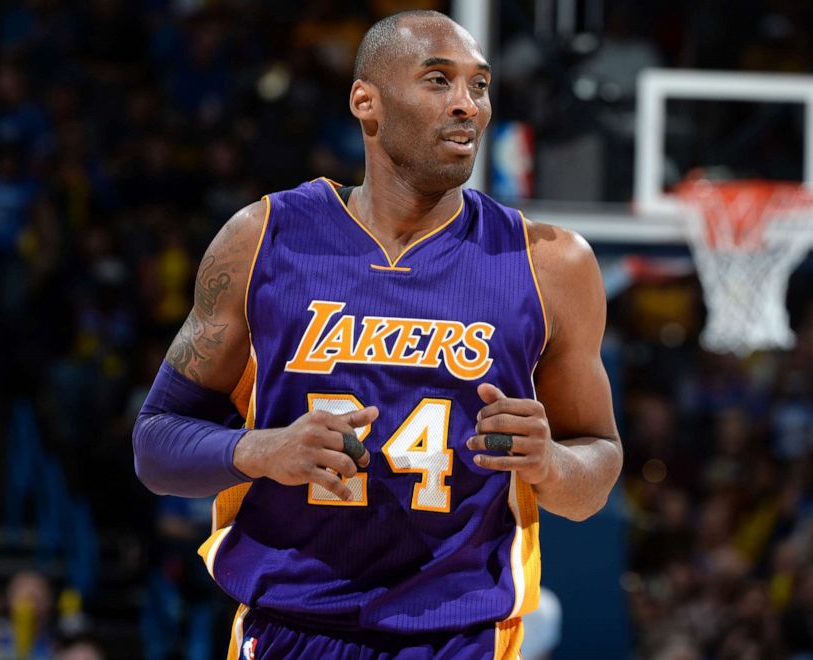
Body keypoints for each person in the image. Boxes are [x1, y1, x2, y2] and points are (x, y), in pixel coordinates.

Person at [133, 9, 622, 659]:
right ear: (367, 101)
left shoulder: (551, 263)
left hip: (458, 638)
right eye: (438, 81)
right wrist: (262, 451)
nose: (466, 106)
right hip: (290, 629)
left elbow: (597, 468)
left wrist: (551, 463)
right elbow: (155, 447)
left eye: (478, 86)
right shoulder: (262, 238)